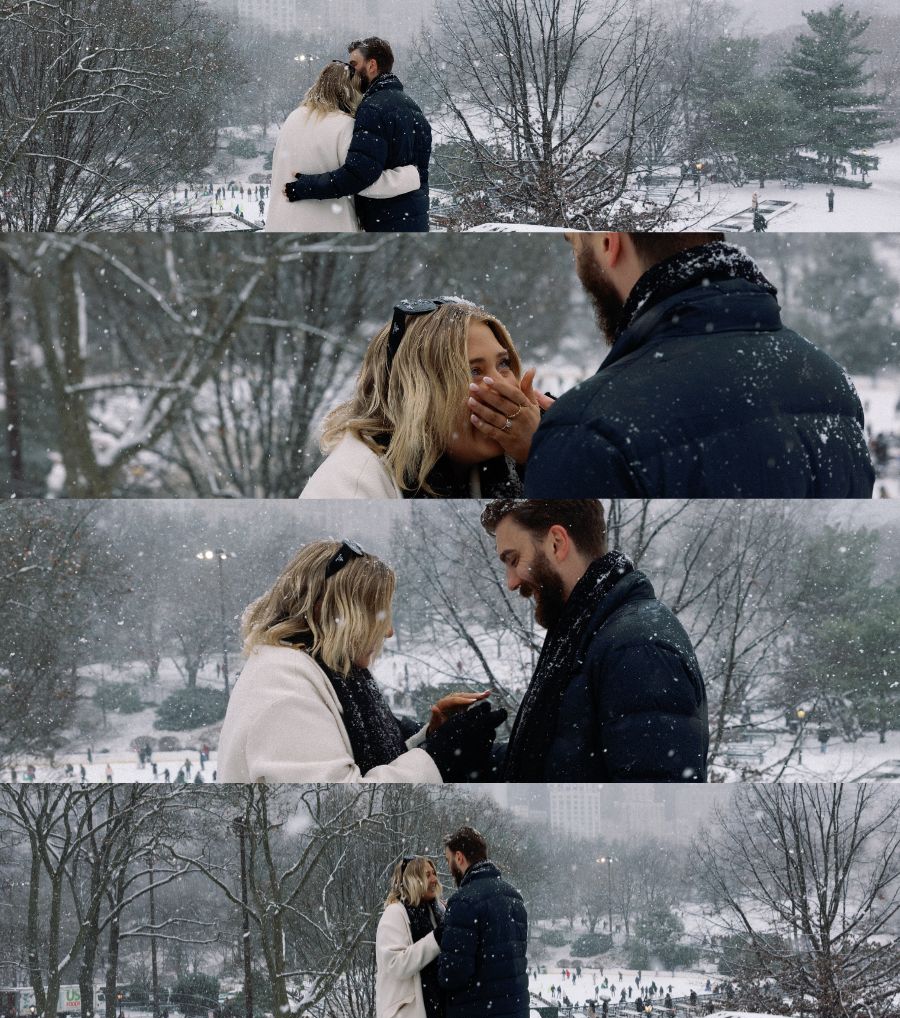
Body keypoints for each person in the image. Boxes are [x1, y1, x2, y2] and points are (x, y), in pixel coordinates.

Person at [496, 232, 874, 497]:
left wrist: (563, 449)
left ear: (609, 244)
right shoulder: (832, 383)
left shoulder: (589, 433)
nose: (578, 265)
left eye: (576, 245)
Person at [218, 540, 505, 782]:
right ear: (328, 612)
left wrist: (432, 738)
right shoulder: (283, 687)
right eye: (376, 614)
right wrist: (437, 757)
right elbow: (340, 800)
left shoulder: (326, 671)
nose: (388, 630)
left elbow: (358, 767)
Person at [481, 500, 709, 782]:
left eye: (514, 559)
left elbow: (648, 795)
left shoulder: (636, 648)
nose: (511, 582)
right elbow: (557, 761)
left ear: (556, 542)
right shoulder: (583, 631)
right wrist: (457, 751)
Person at [300, 298, 551, 499]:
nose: (503, 385)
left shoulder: (517, 456)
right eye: (474, 371)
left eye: (504, 364)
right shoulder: (354, 488)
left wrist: (545, 453)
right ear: (416, 394)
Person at [284, 38, 431, 232]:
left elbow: (359, 175)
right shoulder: (412, 106)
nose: (350, 72)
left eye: (354, 65)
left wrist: (306, 186)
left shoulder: (372, 107)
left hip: (385, 222)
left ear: (371, 65)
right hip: (414, 218)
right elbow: (420, 170)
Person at [438, 827, 529, 1018]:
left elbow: (454, 972)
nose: (449, 867)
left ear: (459, 857)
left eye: (449, 859)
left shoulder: (463, 901)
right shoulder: (513, 896)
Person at [375, 856, 457, 1018]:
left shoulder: (438, 911)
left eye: (434, 874)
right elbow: (396, 964)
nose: (434, 879)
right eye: (427, 875)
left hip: (438, 1017)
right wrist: (437, 938)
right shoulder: (395, 913)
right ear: (413, 879)